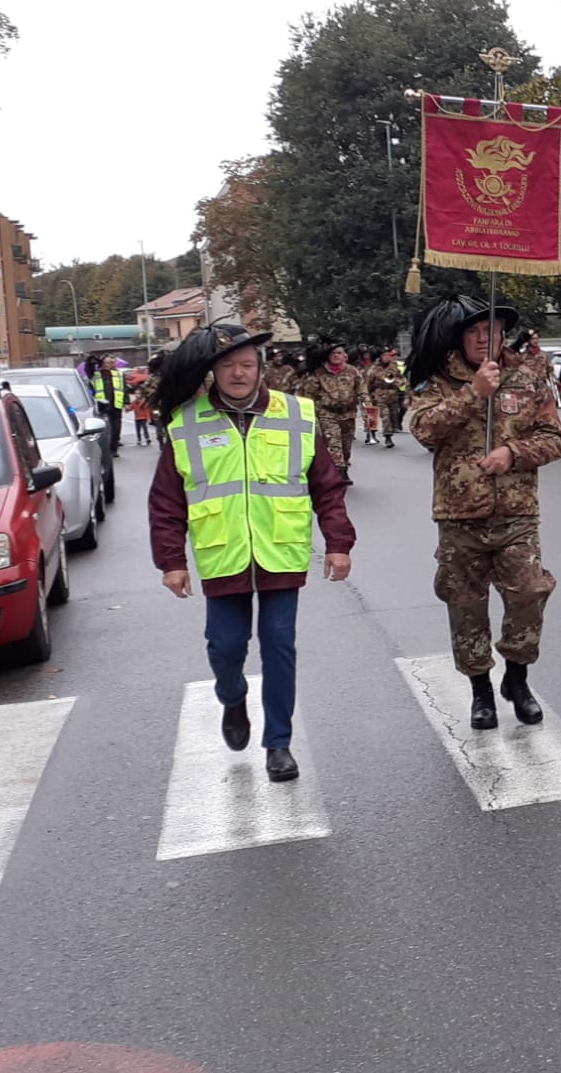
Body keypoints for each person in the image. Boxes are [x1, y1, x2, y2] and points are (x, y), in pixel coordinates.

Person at [148, 324, 355, 782]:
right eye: (227, 366)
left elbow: (327, 487)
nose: (238, 373)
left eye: (246, 365)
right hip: (222, 555)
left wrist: (338, 543)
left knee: (279, 646)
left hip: (280, 552)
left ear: (262, 369)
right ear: (213, 373)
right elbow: (166, 501)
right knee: (225, 648)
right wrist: (172, 561)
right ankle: (233, 699)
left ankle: (278, 743)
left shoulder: (298, 414)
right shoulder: (186, 422)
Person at [408, 297, 561, 730]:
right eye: (476, 332)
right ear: (460, 336)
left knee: (530, 593)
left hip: (517, 513)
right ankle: (480, 690)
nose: (485, 339)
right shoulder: (436, 380)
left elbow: (555, 438)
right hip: (459, 516)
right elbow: (423, 431)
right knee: (465, 606)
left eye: (494, 331)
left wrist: (513, 453)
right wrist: (473, 394)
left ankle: (517, 677)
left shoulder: (530, 375)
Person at [299, 341, 366, 484]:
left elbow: (361, 390)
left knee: (346, 445)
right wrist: (309, 413)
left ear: (345, 356)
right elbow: (309, 394)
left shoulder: (352, 371)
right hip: (327, 414)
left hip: (348, 414)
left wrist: (367, 406)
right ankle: (339, 473)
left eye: (339, 353)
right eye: (333, 353)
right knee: (334, 444)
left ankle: (344, 467)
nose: (336, 356)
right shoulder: (318, 373)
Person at [365, 347, 407, 448]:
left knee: (393, 417)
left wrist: (398, 383)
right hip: (379, 396)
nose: (387, 357)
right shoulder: (374, 368)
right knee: (385, 415)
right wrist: (368, 396)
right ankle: (387, 437)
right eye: (385, 355)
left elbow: (402, 379)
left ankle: (387, 431)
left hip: (393, 396)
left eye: (389, 355)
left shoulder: (394, 366)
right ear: (380, 357)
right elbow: (368, 383)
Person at [86, 354, 127, 458]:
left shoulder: (119, 375)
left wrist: (126, 403)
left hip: (116, 406)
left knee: (116, 429)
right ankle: (107, 449)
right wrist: (94, 360)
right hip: (103, 407)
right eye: (105, 363)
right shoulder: (95, 375)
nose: (107, 365)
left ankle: (114, 449)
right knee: (107, 430)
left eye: (109, 363)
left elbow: (124, 388)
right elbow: (89, 368)